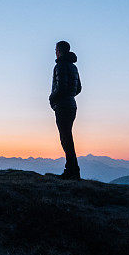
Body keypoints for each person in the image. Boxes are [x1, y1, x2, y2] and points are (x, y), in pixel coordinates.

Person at [49, 40, 82, 179]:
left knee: (66, 138)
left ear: (59, 50)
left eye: (56, 49)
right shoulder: (73, 67)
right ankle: (72, 170)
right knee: (67, 137)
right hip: (72, 105)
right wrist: (70, 95)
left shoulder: (60, 66)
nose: (55, 52)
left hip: (63, 106)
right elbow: (79, 88)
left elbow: (60, 87)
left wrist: (52, 98)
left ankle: (72, 171)